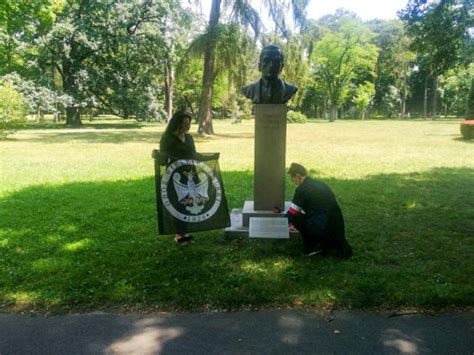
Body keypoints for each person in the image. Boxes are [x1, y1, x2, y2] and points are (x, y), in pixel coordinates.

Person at [286, 163, 353, 258]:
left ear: (298, 176)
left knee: (297, 218)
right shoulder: (321, 184)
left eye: (292, 178)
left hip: (320, 227)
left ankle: (313, 244)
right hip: (336, 225)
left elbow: (293, 212)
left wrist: (283, 221)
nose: (292, 181)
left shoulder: (302, 189)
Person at [159, 111, 197, 244]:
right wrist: (157, 156)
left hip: (189, 175)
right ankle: (179, 235)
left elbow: (194, 156)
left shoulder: (189, 138)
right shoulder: (167, 139)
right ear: (177, 123)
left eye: (189, 124)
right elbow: (163, 161)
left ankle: (184, 232)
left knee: (187, 203)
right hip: (174, 177)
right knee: (177, 204)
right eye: (184, 124)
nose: (187, 127)